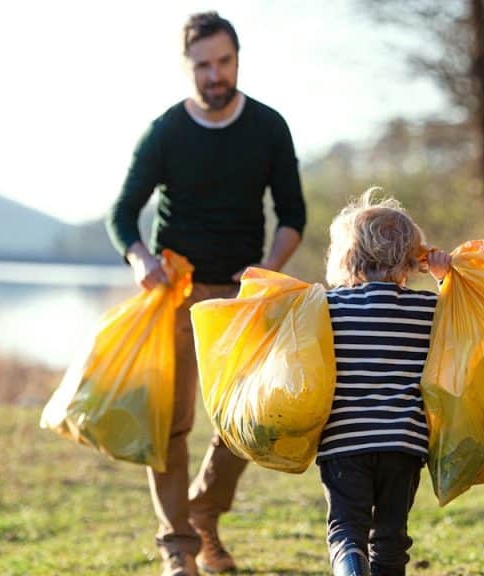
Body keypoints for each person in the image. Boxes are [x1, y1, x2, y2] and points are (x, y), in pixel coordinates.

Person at [105, 11, 306, 576]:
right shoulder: (166, 130)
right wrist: (140, 258)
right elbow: (121, 213)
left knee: (249, 421)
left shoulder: (269, 127)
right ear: (187, 68)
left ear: (237, 59)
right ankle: (179, 550)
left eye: (223, 63)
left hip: (242, 300)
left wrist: (265, 272)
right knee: (170, 424)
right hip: (178, 291)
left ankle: (202, 513)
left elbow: (293, 215)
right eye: (202, 66)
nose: (214, 75)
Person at [318, 188, 450, 576]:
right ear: (413, 259)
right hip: (403, 444)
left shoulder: (327, 308)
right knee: (391, 536)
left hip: (343, 441)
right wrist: (443, 278)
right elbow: (462, 326)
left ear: (347, 257)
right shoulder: (428, 309)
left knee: (347, 530)